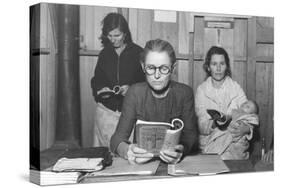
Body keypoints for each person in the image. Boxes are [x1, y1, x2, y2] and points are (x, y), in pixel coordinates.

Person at [110, 39, 198, 164]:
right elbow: (116, 139)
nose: (157, 76)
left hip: (174, 166)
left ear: (173, 68)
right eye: (151, 68)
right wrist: (128, 150)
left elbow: (191, 137)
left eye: (164, 68)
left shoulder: (184, 93)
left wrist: (181, 150)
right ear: (143, 67)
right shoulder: (135, 93)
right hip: (142, 166)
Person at [91, 13, 145, 147]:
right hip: (106, 111)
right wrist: (100, 89)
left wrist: (132, 89)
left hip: (130, 111)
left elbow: (146, 82)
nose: (113, 40)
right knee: (107, 151)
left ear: (125, 34)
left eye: (117, 35)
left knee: (127, 150)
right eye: (109, 36)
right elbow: (97, 79)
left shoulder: (138, 52)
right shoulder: (104, 54)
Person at [195, 46, 253, 159]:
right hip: (210, 143)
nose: (218, 68)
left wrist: (245, 129)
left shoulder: (235, 88)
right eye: (214, 64)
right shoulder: (201, 90)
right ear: (208, 67)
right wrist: (214, 123)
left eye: (222, 64)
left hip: (234, 143)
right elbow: (200, 124)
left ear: (226, 66)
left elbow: (249, 113)